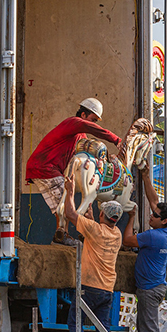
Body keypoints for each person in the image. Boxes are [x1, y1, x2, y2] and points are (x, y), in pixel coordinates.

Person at [25, 98, 122, 245]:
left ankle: (64, 234)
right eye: (92, 120)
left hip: (49, 168)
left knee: (65, 203)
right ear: (83, 115)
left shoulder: (80, 136)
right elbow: (92, 129)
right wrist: (116, 140)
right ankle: (62, 236)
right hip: (44, 167)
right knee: (64, 204)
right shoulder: (73, 122)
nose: (93, 124)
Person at [64, 173, 127, 332]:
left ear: (102, 215)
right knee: (103, 328)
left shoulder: (96, 229)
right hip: (107, 289)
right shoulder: (116, 234)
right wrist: (91, 218)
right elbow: (96, 234)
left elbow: (70, 213)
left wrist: (70, 192)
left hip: (89, 287)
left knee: (75, 323)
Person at [122, 167, 167, 332]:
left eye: (155, 216)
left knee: (148, 330)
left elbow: (128, 240)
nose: (151, 216)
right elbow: (154, 201)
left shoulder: (154, 236)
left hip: (149, 289)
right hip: (155, 287)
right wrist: (146, 177)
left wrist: (131, 217)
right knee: (145, 326)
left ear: (163, 221)